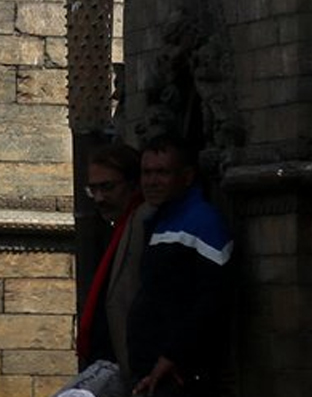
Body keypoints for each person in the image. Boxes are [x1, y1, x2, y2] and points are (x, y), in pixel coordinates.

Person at [126, 136, 232, 397]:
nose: (151, 181)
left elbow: (212, 299)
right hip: (154, 372)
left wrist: (173, 355)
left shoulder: (203, 221)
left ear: (186, 176)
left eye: (162, 173)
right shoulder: (158, 220)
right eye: (146, 173)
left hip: (183, 374)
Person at [77, 143, 146, 379]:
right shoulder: (121, 227)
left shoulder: (143, 224)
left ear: (134, 184)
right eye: (92, 190)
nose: (99, 198)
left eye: (107, 187)